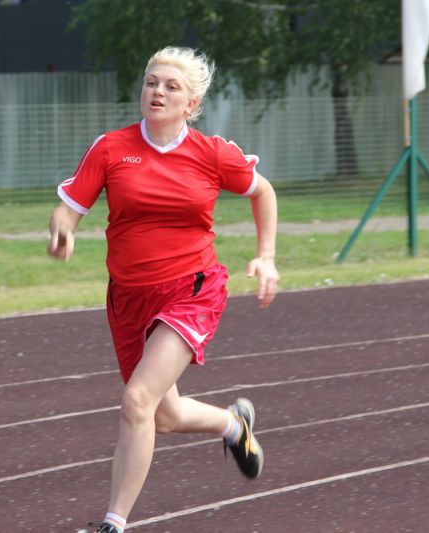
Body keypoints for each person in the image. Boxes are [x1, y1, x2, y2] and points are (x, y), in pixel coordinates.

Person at [47, 47, 279, 533]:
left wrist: (266, 256)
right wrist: (63, 231)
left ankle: (113, 523)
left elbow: (263, 192)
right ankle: (233, 425)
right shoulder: (111, 148)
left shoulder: (212, 153)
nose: (157, 92)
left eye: (171, 87)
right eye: (151, 82)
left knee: (137, 402)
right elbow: (69, 208)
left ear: (190, 104)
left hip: (191, 290)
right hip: (128, 297)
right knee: (164, 415)